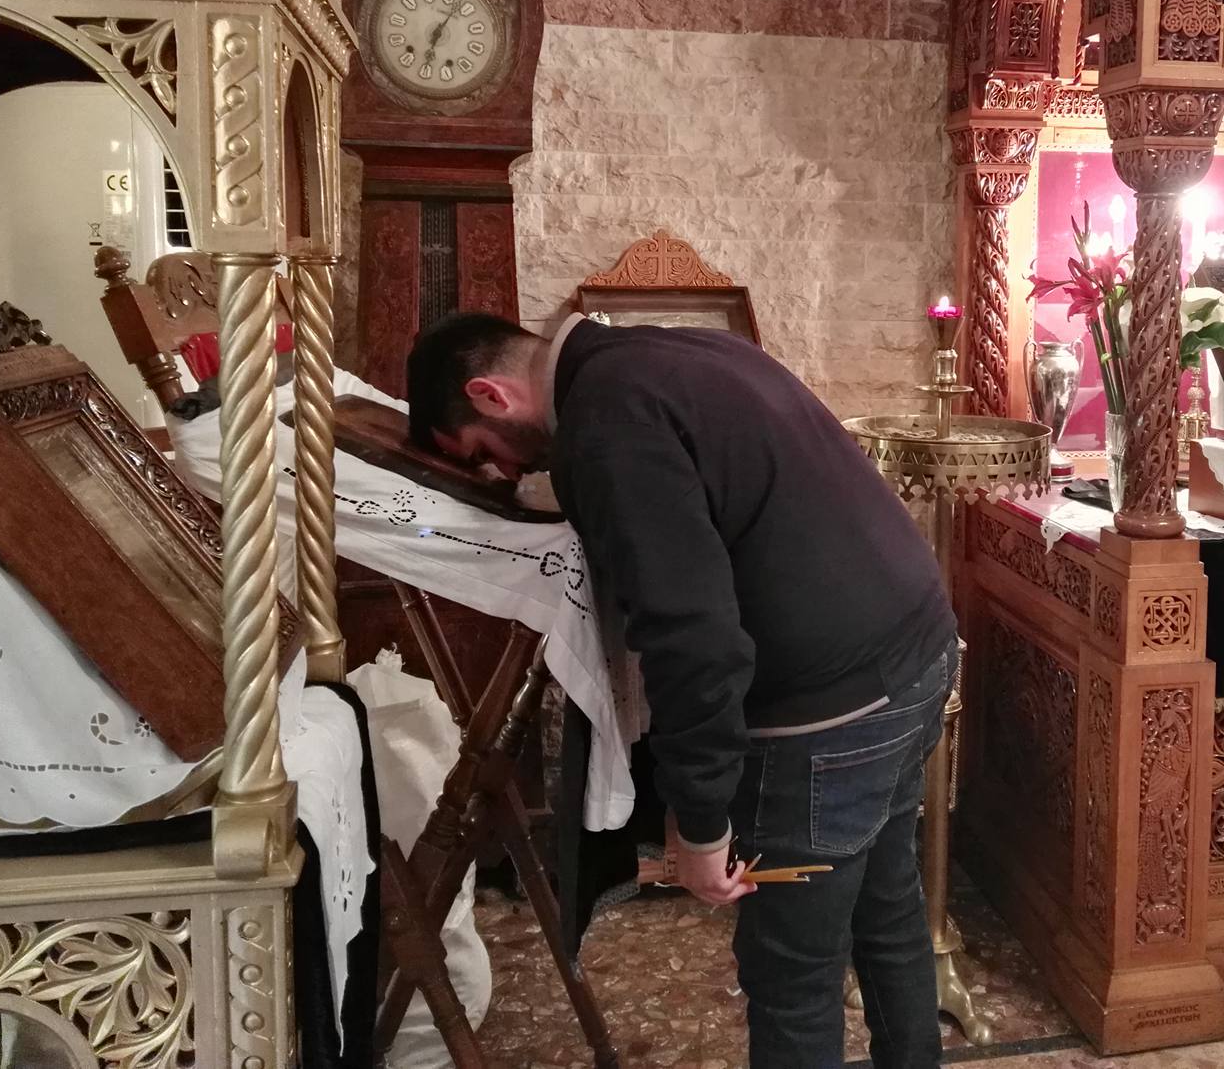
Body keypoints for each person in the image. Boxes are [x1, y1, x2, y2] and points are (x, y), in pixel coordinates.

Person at [406, 310, 954, 1068]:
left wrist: (700, 829)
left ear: (490, 395)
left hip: (828, 717)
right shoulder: (665, 351)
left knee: (794, 975)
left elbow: (694, 641)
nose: (500, 473)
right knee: (887, 914)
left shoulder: (606, 423)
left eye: (481, 454)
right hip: (917, 655)